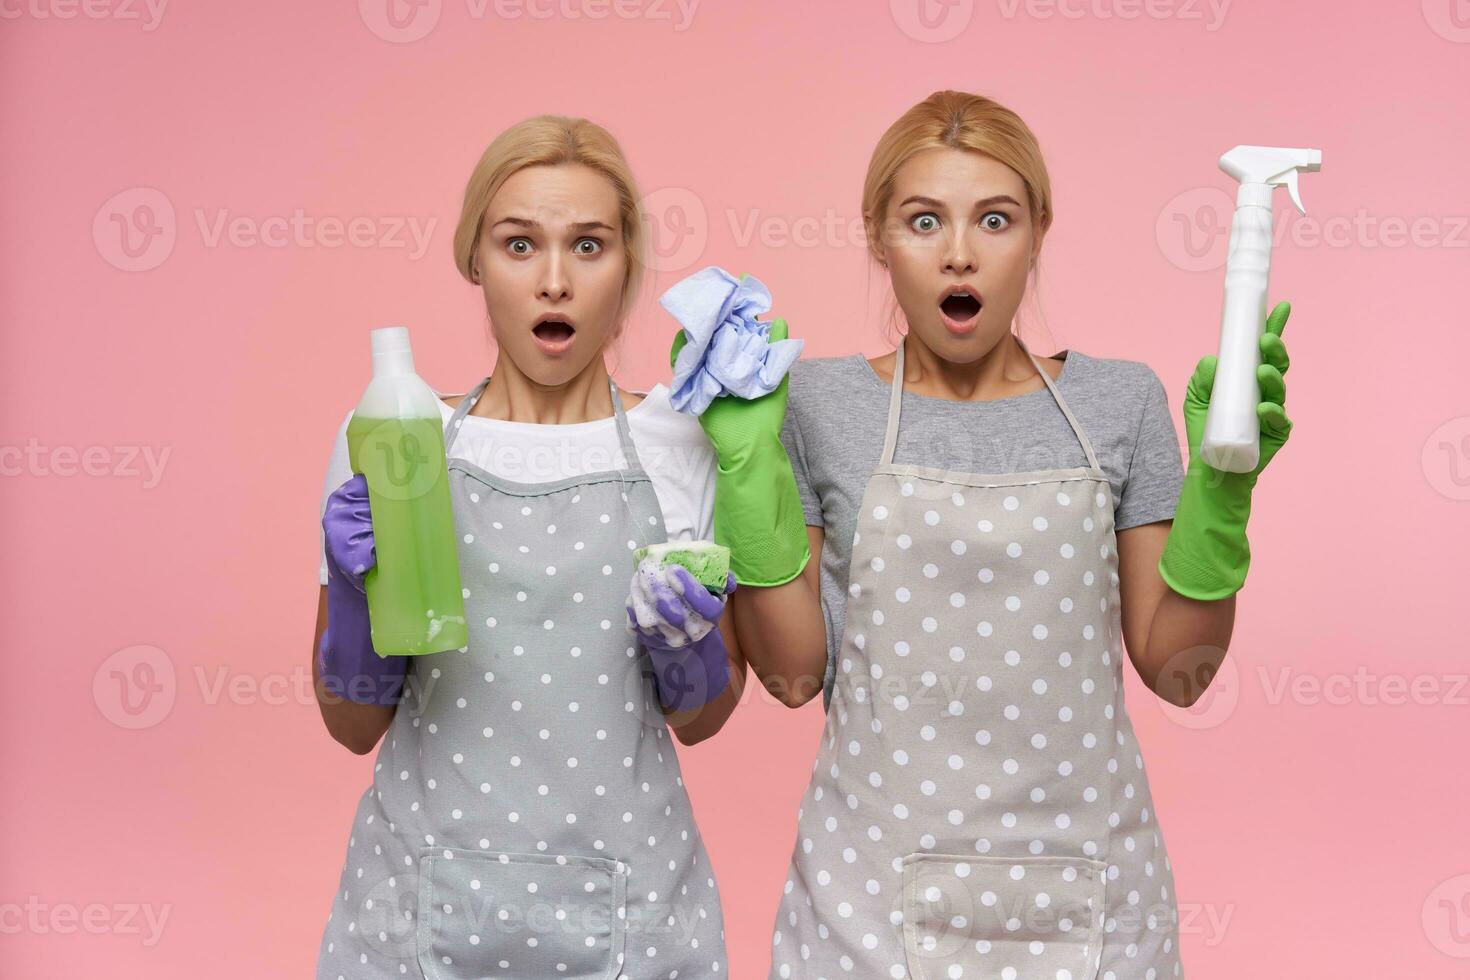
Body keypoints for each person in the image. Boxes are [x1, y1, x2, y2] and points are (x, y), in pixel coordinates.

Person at [682, 90, 1295, 979]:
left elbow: (1179, 671)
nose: (959, 254)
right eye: (923, 220)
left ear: (1039, 231)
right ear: (877, 237)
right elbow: (791, 676)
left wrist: (1222, 499)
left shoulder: (1118, 402)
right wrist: (748, 478)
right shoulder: (818, 404)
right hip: (869, 903)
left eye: (995, 220)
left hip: (1094, 900)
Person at [310, 114, 740, 979]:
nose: (554, 280)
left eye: (589, 246)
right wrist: (356, 599)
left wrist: (688, 652)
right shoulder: (401, 438)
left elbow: (704, 724)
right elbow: (353, 724)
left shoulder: (677, 446)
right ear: (475, 259)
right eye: (518, 245)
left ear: (626, 269)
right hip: (417, 918)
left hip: (637, 919)